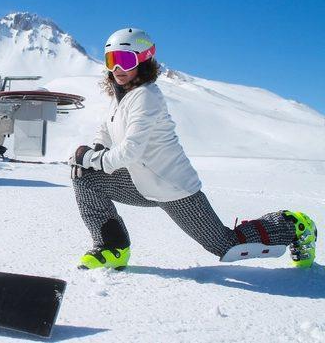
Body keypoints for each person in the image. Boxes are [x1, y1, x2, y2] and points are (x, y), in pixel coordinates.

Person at [69, 28, 317, 270]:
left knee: (225, 245)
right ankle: (112, 248)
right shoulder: (119, 99)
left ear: (143, 61)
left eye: (125, 60)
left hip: (173, 187)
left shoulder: (146, 96)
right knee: (84, 177)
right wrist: (95, 151)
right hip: (140, 183)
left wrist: (92, 158)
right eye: (111, 60)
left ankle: (292, 226)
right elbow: (105, 130)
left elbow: (131, 151)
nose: (117, 69)